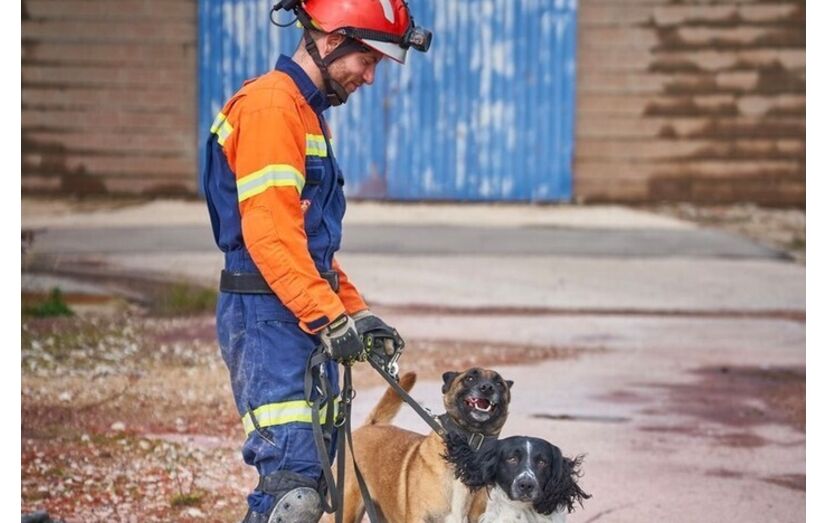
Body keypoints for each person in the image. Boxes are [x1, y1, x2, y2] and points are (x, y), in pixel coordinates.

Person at [200, 1, 431, 521]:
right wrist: (329, 317)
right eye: (367, 60)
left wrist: (356, 313)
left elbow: (309, 249)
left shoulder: (304, 114)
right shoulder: (271, 108)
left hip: (291, 311)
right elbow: (271, 239)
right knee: (293, 490)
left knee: (311, 480)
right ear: (330, 42)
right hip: (269, 317)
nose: (369, 77)